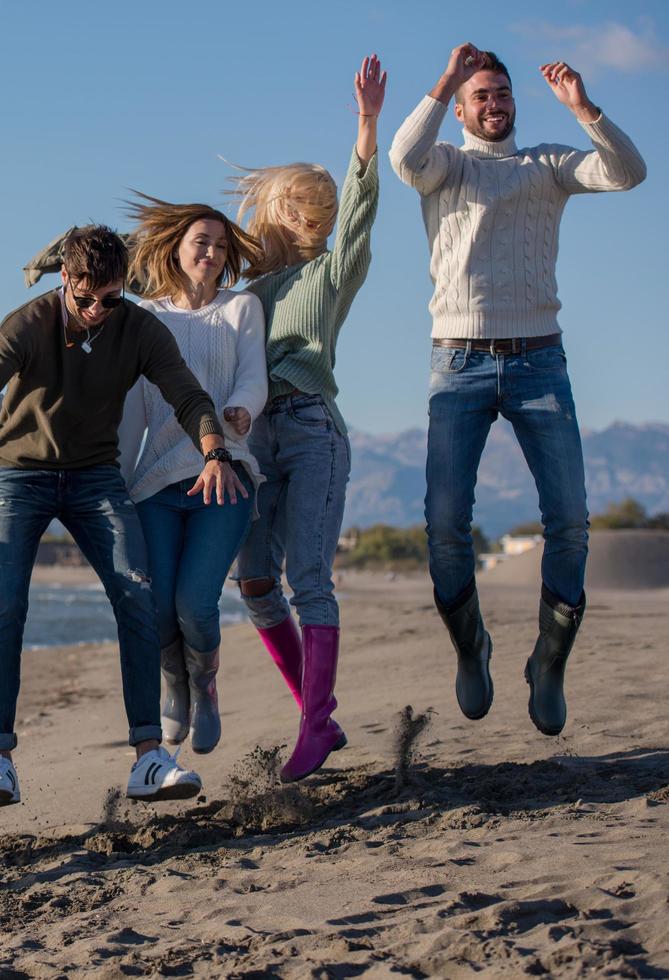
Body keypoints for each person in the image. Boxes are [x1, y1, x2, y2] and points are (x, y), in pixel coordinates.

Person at [389, 45, 646, 735]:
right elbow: (401, 157)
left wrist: (584, 109)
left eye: (501, 93)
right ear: (464, 107)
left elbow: (628, 172)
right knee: (444, 526)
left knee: (569, 521)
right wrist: (441, 81)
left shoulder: (548, 164)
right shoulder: (445, 162)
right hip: (458, 363)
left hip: (540, 363)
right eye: (481, 95)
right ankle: (470, 648)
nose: (494, 103)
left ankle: (549, 662)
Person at [0, 225, 244, 808]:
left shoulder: (136, 328)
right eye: (86, 300)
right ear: (65, 281)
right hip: (18, 474)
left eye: (111, 298)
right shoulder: (28, 323)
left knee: (136, 590)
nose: (98, 311)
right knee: (6, 602)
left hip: (95, 477)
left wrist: (214, 451)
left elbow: (188, 394)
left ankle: (148, 758)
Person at [232, 54, 386, 783]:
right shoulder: (248, 288)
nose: (307, 217)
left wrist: (364, 126)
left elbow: (358, 217)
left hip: (310, 429)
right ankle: (316, 717)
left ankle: (312, 725)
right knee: (255, 582)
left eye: (314, 207)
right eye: (300, 204)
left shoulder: (329, 273)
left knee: (308, 579)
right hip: (252, 438)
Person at [117, 200, 266, 778]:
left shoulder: (241, 308)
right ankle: (174, 685)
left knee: (195, 603)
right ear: (176, 248)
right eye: (201, 241)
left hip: (225, 472)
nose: (211, 252)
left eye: (221, 246)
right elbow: (132, 411)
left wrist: (241, 409)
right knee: (155, 607)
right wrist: (120, 481)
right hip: (156, 481)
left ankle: (205, 686)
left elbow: (253, 373)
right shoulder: (144, 317)